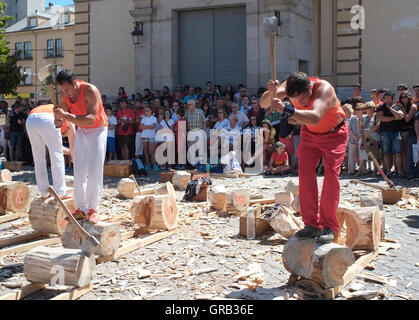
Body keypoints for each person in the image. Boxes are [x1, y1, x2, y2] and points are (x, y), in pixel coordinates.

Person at [260, 71, 347, 244]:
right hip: (309, 133)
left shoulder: (324, 90)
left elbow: (314, 117)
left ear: (308, 88)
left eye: (303, 99)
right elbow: (263, 104)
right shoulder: (289, 86)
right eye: (296, 101)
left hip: (334, 133)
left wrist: (286, 108)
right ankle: (311, 225)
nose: (300, 103)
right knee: (305, 175)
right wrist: (270, 92)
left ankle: (329, 226)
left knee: (330, 176)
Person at [54, 69, 109, 223]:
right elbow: (59, 122)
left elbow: (90, 119)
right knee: (79, 169)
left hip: (98, 129)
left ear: (75, 83)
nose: (66, 93)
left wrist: (65, 116)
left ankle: (92, 209)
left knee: (94, 170)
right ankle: (81, 209)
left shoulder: (90, 91)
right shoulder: (63, 95)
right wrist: (58, 118)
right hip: (82, 130)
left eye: (67, 89)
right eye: (62, 90)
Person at [26, 104, 75, 199]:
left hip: (30, 119)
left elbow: (57, 147)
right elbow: (70, 137)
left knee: (38, 157)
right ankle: (60, 192)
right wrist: (73, 154)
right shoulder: (67, 116)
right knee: (57, 156)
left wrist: (69, 152)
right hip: (48, 118)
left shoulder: (58, 112)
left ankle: (43, 192)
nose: (63, 136)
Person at [376, 91, 404, 177]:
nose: (388, 100)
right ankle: (388, 171)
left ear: (392, 98)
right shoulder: (381, 107)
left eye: (390, 98)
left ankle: (399, 171)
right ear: (384, 99)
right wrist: (394, 118)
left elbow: (401, 116)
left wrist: (391, 109)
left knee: (398, 153)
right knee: (386, 152)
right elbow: (381, 118)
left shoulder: (397, 107)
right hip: (385, 132)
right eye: (386, 98)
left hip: (396, 132)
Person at [398, 92, 418, 180]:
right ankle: (406, 172)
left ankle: (411, 173)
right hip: (402, 131)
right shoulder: (401, 106)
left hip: (411, 132)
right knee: (404, 153)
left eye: (405, 97)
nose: (403, 99)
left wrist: (402, 108)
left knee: (410, 154)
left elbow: (407, 119)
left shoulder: (413, 106)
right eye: (401, 97)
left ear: (409, 97)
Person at [140, 106, 158, 170]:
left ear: (151, 111)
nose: (146, 112)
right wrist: (148, 126)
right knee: (146, 150)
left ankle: (154, 164)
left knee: (152, 150)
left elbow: (153, 126)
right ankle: (148, 164)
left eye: (147, 110)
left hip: (152, 136)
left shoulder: (154, 118)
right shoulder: (143, 118)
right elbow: (141, 127)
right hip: (144, 135)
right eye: (145, 111)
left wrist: (145, 126)